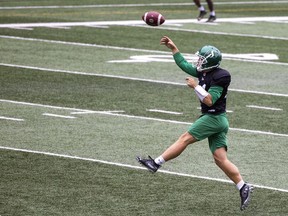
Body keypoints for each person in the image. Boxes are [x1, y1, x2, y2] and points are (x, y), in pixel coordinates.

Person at [136, 36, 253, 211]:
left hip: (213, 118)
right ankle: (242, 186)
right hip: (218, 120)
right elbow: (185, 65)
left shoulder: (222, 76)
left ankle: (156, 163)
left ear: (210, 62)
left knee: (185, 138)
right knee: (220, 159)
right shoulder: (204, 71)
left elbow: (210, 100)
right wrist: (174, 49)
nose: (198, 62)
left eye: (202, 59)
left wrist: (195, 87)